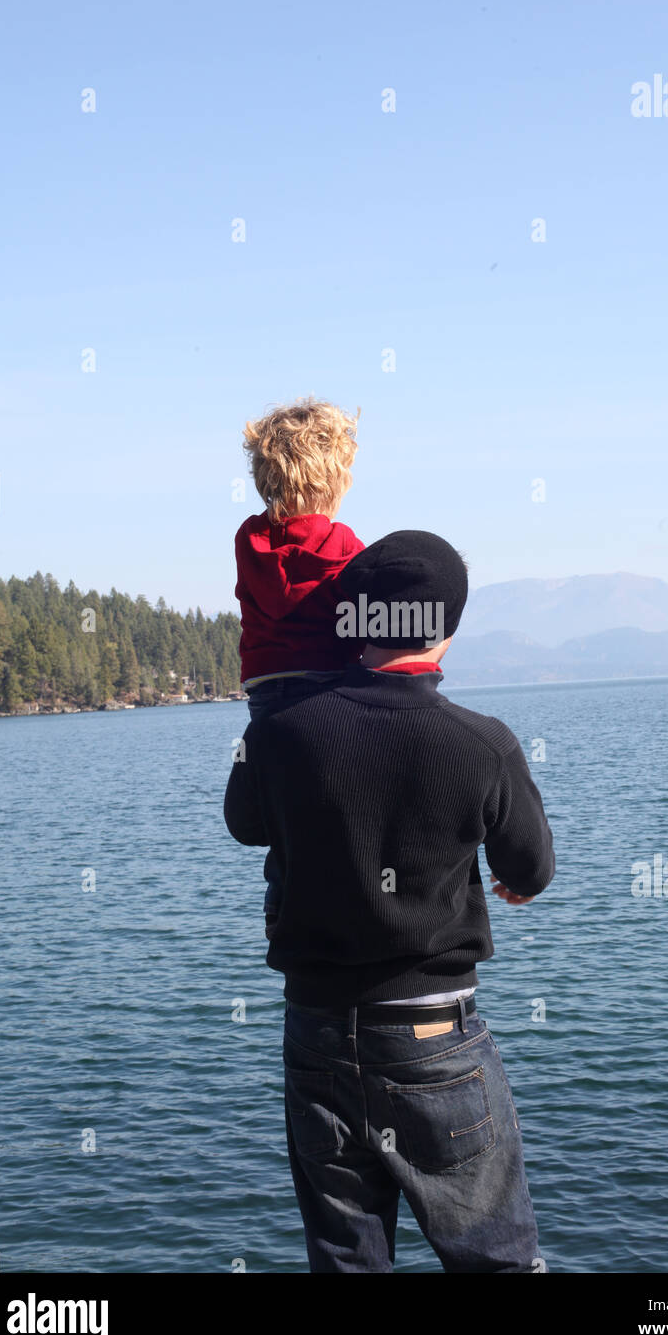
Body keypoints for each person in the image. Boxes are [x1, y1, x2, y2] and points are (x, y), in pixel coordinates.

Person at [224, 531, 555, 1273]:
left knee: (347, 1261)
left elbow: (246, 825)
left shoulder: (278, 732)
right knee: (495, 1259)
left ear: (356, 620)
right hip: (437, 1038)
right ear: (446, 628)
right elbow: (530, 868)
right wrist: (510, 880)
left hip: (316, 1031)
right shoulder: (483, 743)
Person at [234, 396, 365, 929]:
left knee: (288, 815)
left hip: (269, 698)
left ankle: (281, 911)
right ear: (335, 479)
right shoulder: (345, 544)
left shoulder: (249, 540)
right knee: (343, 807)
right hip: (332, 690)